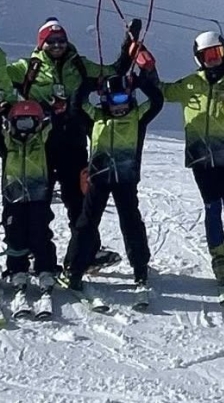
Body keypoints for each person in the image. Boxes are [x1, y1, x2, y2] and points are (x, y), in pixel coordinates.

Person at [7, 17, 133, 271]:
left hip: (74, 143)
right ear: (41, 43)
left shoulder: (79, 64)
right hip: (38, 146)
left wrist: (128, 46)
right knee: (37, 202)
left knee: (78, 200)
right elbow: (2, 81)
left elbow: (113, 72)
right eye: (51, 41)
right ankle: (32, 252)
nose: (57, 45)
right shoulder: (27, 68)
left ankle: (87, 253)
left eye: (61, 40)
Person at [160, 31, 224, 290]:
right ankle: (218, 257)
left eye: (218, 53)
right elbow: (163, 92)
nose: (214, 58)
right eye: (208, 55)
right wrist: (145, 72)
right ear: (199, 58)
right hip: (201, 159)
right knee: (212, 209)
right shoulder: (190, 84)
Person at [63, 63, 162, 296]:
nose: (119, 106)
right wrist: (92, 84)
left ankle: (140, 268)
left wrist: (140, 82)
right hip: (99, 179)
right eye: (114, 100)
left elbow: (157, 101)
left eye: (123, 100)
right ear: (105, 100)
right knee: (86, 223)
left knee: (131, 221)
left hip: (126, 179)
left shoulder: (138, 117)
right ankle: (75, 270)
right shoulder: (95, 117)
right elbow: (75, 103)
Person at [0, 100, 58, 311]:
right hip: (13, 197)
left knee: (39, 233)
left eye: (30, 123)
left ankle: (45, 268)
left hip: (38, 197)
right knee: (14, 234)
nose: (25, 129)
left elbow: (55, 125)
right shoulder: (7, 141)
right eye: (20, 123)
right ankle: (17, 269)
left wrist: (52, 110)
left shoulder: (42, 140)